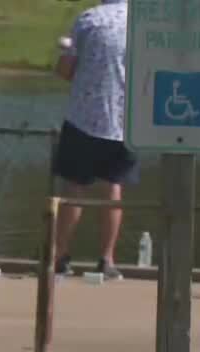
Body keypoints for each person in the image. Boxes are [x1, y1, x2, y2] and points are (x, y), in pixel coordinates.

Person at [51, 0, 133, 280]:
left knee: (74, 188)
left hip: (83, 118)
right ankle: (107, 259)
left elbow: (66, 70)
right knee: (113, 188)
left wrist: (62, 53)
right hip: (125, 121)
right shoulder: (142, 24)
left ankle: (59, 256)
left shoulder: (89, 19)